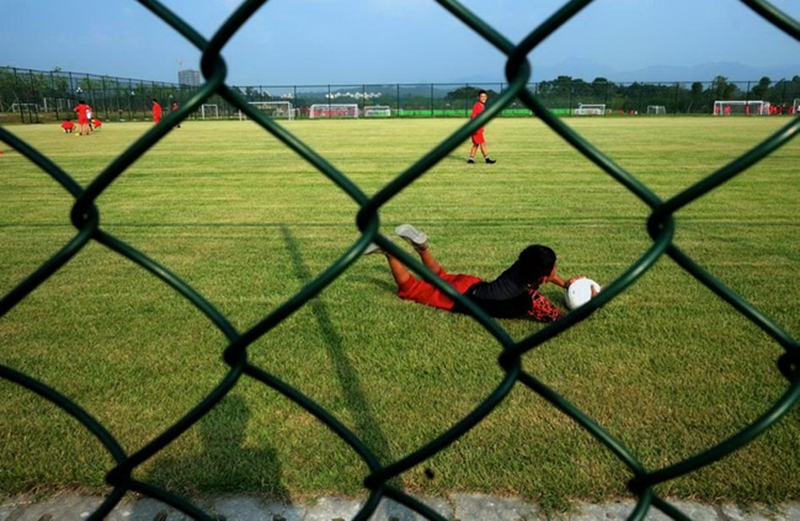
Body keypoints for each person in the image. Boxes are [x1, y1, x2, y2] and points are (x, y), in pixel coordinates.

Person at [366, 224, 591, 323]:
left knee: (439, 277)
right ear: (541, 277)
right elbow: (561, 320)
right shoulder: (531, 300)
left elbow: (545, 274)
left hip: (471, 284)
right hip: (463, 298)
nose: (555, 273)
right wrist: (590, 300)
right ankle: (389, 252)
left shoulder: (522, 266)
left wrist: (565, 284)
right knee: (410, 289)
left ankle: (422, 247)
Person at [467, 90, 496, 164]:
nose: (483, 98)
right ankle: (487, 159)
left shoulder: (480, 105)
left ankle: (471, 159)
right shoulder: (478, 105)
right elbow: (473, 116)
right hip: (477, 129)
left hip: (477, 128)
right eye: (482, 96)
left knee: (476, 144)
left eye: (485, 96)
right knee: (482, 143)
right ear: (478, 97)